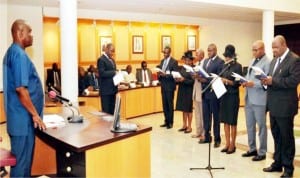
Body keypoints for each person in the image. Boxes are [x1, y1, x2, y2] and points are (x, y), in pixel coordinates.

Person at [2, 19, 46, 177]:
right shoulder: (19, 54)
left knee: (23, 164)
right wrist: (35, 114)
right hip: (23, 121)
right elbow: (21, 89)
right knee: (22, 165)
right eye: (29, 32)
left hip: (18, 119)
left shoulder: (11, 52)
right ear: (20, 33)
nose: (32, 36)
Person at [261, 35, 300, 178]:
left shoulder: (295, 60)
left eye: (276, 47)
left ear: (284, 45)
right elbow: (272, 79)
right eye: (272, 47)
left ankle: (288, 169)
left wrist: (273, 81)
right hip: (273, 106)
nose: (273, 50)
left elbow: (293, 81)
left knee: (287, 138)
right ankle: (277, 163)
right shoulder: (274, 61)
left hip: (285, 107)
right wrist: (265, 81)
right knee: (276, 136)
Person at [241, 40, 270, 161]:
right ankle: (252, 148)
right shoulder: (252, 60)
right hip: (248, 98)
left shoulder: (267, 62)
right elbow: (249, 77)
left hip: (259, 100)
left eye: (256, 49)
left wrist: (253, 84)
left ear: (262, 49)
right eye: (252, 49)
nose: (253, 52)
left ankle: (262, 152)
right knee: (249, 125)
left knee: (261, 127)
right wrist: (244, 81)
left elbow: (266, 81)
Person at [199, 43, 224, 148]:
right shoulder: (205, 61)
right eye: (208, 50)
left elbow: (218, 77)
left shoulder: (220, 62)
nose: (209, 52)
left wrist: (206, 79)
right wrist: (198, 76)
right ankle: (207, 136)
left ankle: (217, 139)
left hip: (214, 93)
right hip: (205, 92)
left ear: (215, 50)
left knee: (216, 117)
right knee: (206, 116)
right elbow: (203, 74)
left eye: (211, 50)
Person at [219, 44, 242, 154]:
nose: (226, 58)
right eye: (225, 56)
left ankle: (233, 144)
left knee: (232, 121)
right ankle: (227, 143)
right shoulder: (224, 66)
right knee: (225, 121)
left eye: (228, 56)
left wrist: (226, 81)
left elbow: (237, 83)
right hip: (224, 96)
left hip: (233, 96)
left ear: (232, 56)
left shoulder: (238, 66)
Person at [157, 46, 178, 129]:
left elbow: (175, 74)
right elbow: (161, 72)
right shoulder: (162, 61)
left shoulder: (174, 62)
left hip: (170, 86)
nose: (165, 54)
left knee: (170, 105)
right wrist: (159, 74)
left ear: (169, 53)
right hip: (163, 86)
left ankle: (170, 122)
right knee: (164, 105)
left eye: (166, 53)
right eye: (164, 53)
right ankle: (166, 121)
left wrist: (166, 75)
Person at [175, 51, 195, 133]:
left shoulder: (193, 69)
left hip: (189, 90)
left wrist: (184, 80)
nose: (187, 62)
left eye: (188, 60)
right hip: (182, 89)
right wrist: (177, 79)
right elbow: (180, 76)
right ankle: (184, 125)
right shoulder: (183, 68)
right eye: (185, 60)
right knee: (184, 108)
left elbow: (192, 81)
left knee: (189, 109)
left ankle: (189, 126)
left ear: (191, 61)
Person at [97, 43, 117, 114]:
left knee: (112, 111)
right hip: (105, 91)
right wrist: (114, 72)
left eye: (113, 51)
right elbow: (102, 73)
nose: (112, 53)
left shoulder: (112, 60)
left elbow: (114, 73)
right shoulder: (101, 60)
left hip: (113, 89)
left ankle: (112, 125)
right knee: (106, 112)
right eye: (111, 51)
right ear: (106, 49)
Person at [191, 49, 205, 139]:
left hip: (202, 91)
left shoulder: (205, 64)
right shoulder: (196, 64)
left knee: (203, 113)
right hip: (196, 91)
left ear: (202, 55)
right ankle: (198, 131)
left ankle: (204, 133)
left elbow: (205, 77)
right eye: (195, 54)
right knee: (197, 113)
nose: (195, 56)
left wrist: (198, 76)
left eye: (197, 54)